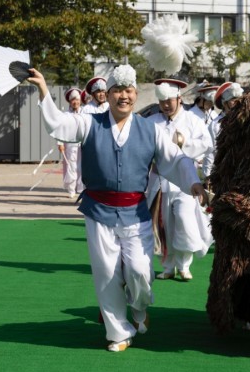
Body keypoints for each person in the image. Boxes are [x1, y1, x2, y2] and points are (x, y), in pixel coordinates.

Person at [27, 64, 208, 353]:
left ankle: (139, 308)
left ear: (136, 94)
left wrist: (194, 184)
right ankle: (118, 332)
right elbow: (58, 125)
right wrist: (43, 89)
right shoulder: (90, 123)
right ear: (107, 95)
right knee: (108, 274)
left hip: (135, 213)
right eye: (117, 91)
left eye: (128, 90)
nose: (123, 96)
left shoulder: (151, 130)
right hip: (98, 212)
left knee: (139, 271)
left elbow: (176, 160)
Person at [147, 79, 213, 281]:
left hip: (184, 181)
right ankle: (167, 265)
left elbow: (206, 144)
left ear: (179, 98)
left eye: (169, 100)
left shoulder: (192, 119)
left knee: (184, 221)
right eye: (162, 101)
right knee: (163, 223)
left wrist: (184, 143)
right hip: (159, 180)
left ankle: (184, 264)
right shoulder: (152, 122)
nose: (165, 105)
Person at [202, 82, 244, 179]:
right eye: (233, 99)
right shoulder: (215, 125)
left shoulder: (245, 120)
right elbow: (210, 152)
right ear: (225, 103)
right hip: (224, 173)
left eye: (239, 99)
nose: (238, 102)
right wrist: (208, 175)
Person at [58, 87, 84, 198]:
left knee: (82, 166)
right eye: (73, 100)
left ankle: (81, 188)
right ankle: (71, 188)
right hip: (70, 144)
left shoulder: (84, 112)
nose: (75, 102)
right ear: (70, 101)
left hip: (83, 144)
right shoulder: (65, 115)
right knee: (71, 166)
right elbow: (60, 130)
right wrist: (60, 143)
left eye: (77, 100)